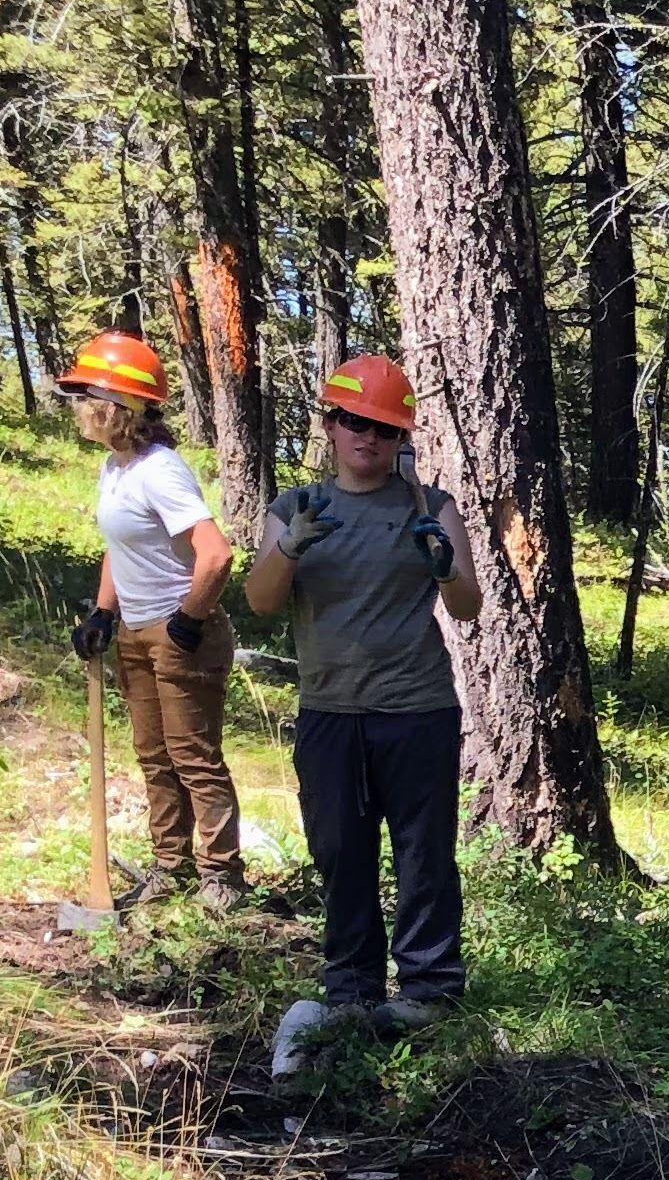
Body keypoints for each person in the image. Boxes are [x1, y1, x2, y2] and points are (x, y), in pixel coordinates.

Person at [244, 353, 480, 1036]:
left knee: (423, 853)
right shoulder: (296, 507)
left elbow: (467, 606)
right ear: (330, 424)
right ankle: (350, 990)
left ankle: (431, 990)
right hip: (329, 711)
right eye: (353, 421)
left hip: (417, 709)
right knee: (341, 851)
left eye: (383, 428)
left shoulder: (431, 506)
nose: (367, 438)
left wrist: (442, 564)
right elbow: (260, 601)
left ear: (401, 437)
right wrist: (289, 547)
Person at [64, 329, 242, 914]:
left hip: (180, 629)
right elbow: (119, 547)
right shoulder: (114, 470)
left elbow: (215, 552)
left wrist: (188, 621)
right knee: (153, 753)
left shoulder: (160, 470)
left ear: (116, 407)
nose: (77, 407)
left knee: (193, 754)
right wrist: (103, 611)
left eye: (84, 396)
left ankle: (222, 875)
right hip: (136, 632)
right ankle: (171, 866)